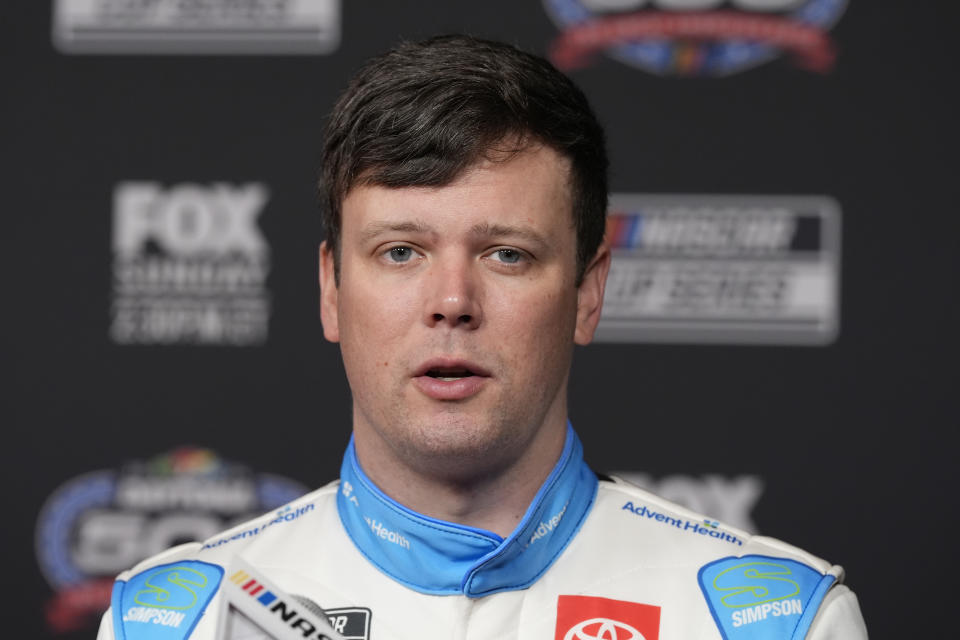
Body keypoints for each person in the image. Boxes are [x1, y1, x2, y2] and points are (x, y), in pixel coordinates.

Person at [97, 35, 867, 640]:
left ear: (587, 293)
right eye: (401, 252)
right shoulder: (176, 622)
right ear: (331, 290)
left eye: (508, 254)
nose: (452, 302)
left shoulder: (769, 623)